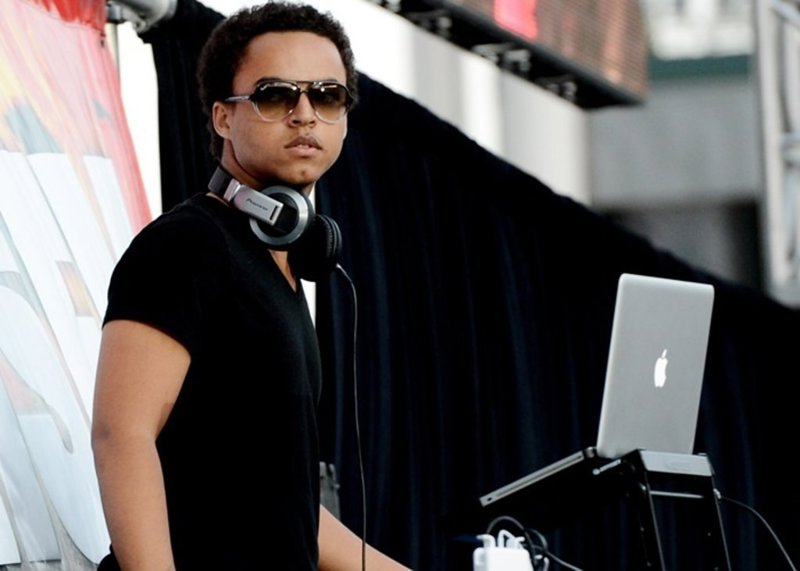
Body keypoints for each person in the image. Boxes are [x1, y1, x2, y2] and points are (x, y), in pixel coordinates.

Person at [91, 2, 410, 569]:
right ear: (222, 117)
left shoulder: (279, 270)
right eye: (275, 95)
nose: (305, 114)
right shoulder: (186, 246)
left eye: (327, 96)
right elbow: (123, 435)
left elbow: (285, 507)